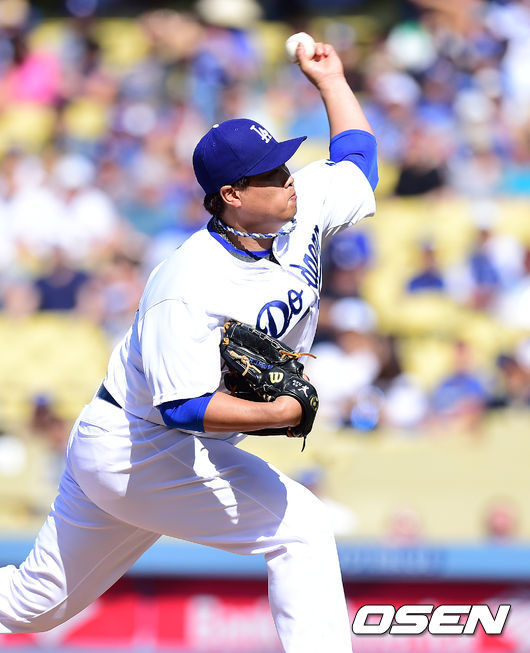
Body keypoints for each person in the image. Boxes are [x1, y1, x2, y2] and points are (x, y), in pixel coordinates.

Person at [0, 41, 377, 652]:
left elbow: (359, 160)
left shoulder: (298, 208)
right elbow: (182, 407)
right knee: (302, 526)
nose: (288, 178)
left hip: (146, 443)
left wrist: (330, 80)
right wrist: (277, 414)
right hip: (138, 446)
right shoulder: (187, 283)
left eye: (285, 164)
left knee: (31, 606)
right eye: (271, 173)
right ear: (232, 194)